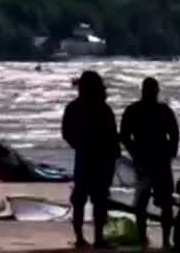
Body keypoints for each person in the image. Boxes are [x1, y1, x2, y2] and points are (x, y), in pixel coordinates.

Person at [120, 76, 180, 249]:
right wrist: (170, 152)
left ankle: (149, 238)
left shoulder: (134, 110)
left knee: (151, 201)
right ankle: (161, 240)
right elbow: (174, 135)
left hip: (150, 160)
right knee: (156, 202)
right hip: (154, 160)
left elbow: (124, 136)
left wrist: (134, 152)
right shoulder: (162, 110)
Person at [62, 70, 119, 249]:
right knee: (99, 200)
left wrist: (79, 144)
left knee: (81, 199)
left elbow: (66, 133)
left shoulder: (74, 107)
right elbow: (113, 137)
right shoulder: (103, 108)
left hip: (85, 158)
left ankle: (80, 238)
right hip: (101, 159)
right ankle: (98, 238)